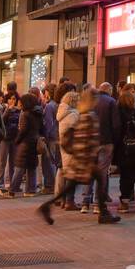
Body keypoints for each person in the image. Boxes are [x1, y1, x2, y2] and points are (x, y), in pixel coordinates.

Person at [39, 85, 120, 225]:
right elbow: (91, 139)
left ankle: (47, 206)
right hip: (86, 160)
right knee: (97, 182)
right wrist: (93, 157)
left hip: (80, 158)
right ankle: (103, 213)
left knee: (73, 186)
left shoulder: (81, 114)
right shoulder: (90, 116)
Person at [83, 82, 121, 213]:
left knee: (90, 172)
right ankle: (98, 204)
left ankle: (85, 202)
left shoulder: (90, 101)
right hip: (106, 141)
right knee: (102, 173)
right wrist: (115, 141)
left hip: (90, 142)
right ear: (109, 90)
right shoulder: (111, 102)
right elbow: (116, 125)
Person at [9, 92, 43, 196]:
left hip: (25, 144)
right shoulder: (38, 113)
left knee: (19, 167)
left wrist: (17, 140)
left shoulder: (25, 114)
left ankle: (12, 189)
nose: (20, 103)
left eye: (21, 102)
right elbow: (41, 128)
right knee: (31, 167)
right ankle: (30, 190)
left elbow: (23, 130)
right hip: (34, 142)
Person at [40, 84, 61, 194]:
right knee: (56, 161)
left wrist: (45, 136)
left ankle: (50, 185)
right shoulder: (59, 105)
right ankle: (56, 185)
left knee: (48, 162)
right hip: (58, 136)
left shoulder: (49, 106)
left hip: (51, 137)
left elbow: (48, 123)